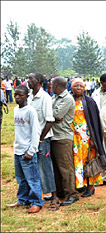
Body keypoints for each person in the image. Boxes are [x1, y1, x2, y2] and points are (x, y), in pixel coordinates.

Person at [7, 85, 44, 213]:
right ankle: (23, 199)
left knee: (32, 178)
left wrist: (31, 150)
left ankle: (36, 202)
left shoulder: (30, 111)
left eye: (20, 95)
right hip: (18, 149)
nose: (17, 97)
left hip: (28, 151)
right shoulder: (16, 110)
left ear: (27, 96)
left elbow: (36, 132)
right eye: (15, 94)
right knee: (21, 178)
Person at [71, 78, 106, 196]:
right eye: (76, 86)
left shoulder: (89, 101)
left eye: (81, 86)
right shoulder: (69, 100)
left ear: (84, 88)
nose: (78, 88)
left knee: (90, 162)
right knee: (77, 162)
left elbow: (95, 121)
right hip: (74, 139)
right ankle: (80, 184)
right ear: (71, 87)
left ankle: (91, 187)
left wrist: (94, 138)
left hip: (87, 138)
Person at [27, 72, 59, 211]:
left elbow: (49, 121)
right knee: (33, 168)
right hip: (31, 139)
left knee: (45, 167)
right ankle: (37, 195)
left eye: (31, 79)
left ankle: (54, 197)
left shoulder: (45, 98)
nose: (28, 81)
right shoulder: (29, 97)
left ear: (38, 81)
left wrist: (40, 139)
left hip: (43, 139)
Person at [51, 76, 79, 206]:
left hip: (63, 137)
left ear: (57, 85)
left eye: (52, 84)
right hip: (54, 136)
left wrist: (53, 116)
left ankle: (72, 194)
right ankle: (60, 192)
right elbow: (50, 113)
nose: (50, 86)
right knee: (56, 168)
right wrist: (52, 115)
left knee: (65, 167)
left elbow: (57, 115)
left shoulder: (67, 99)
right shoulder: (55, 98)